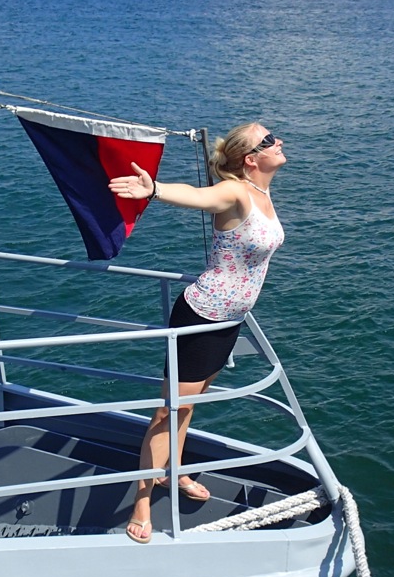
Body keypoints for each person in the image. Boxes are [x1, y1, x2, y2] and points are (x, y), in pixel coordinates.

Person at [108, 122, 286, 543]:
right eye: (268, 140)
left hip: (230, 321)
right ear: (250, 159)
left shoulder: (262, 193)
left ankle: (173, 472)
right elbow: (198, 196)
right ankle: (141, 504)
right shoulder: (235, 192)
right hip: (201, 318)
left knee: (187, 409)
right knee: (168, 413)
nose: (278, 141)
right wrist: (154, 190)